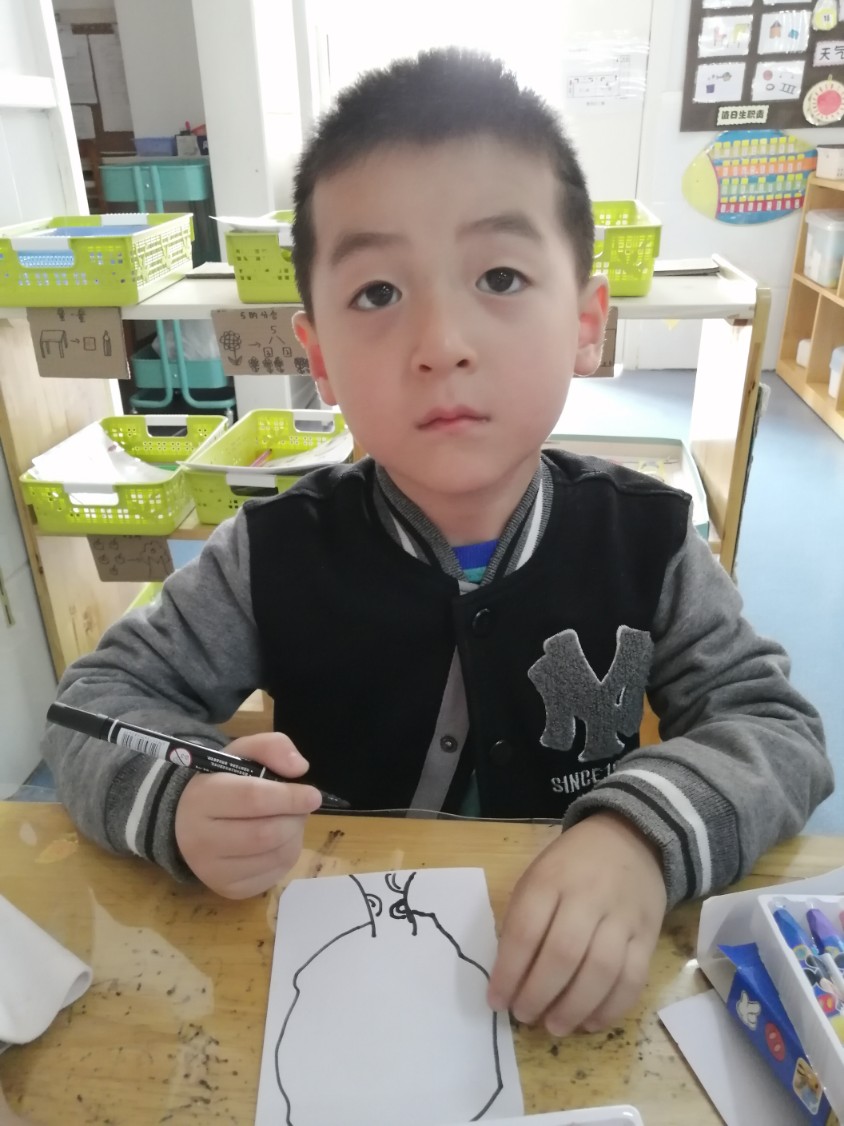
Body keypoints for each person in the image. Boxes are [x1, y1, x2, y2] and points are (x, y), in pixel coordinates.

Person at [43, 49, 832, 1039]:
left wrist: (639, 836)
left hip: (579, 996)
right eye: (378, 293)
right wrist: (179, 800)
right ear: (319, 357)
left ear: (586, 324)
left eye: (499, 275)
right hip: (337, 988)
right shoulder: (268, 554)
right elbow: (86, 713)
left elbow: (778, 730)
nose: (441, 342)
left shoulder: (652, 540)